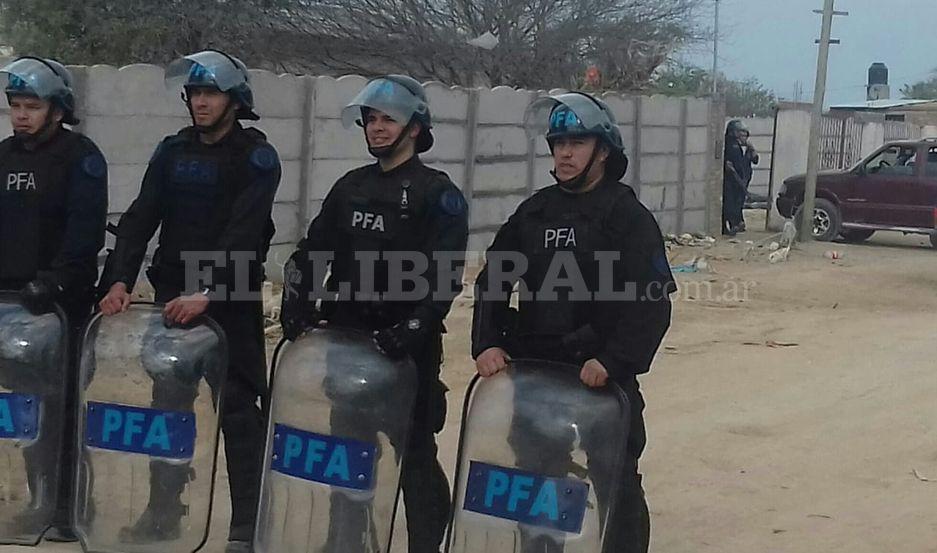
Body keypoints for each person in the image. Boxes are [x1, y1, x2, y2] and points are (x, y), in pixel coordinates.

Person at [471, 91, 675, 553]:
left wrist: (613, 359)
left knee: (615, 487)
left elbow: (653, 302)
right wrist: (487, 341)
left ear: (603, 150)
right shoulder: (535, 212)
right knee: (535, 485)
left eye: (577, 142)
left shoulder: (626, 216)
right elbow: (494, 280)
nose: (564, 152)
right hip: (537, 375)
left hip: (599, 379)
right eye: (558, 142)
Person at [97, 49, 280, 553]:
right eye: (195, 93)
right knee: (168, 408)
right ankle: (162, 512)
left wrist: (209, 292)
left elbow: (245, 235)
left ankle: (246, 525)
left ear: (235, 100)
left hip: (230, 298)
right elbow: (139, 219)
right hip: (174, 296)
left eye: (211, 92)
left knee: (240, 412)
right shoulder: (172, 152)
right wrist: (117, 279)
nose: (200, 102)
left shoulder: (256, 157)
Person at [279, 74, 468, 553]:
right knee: (348, 451)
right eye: (371, 119)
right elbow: (311, 252)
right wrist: (296, 299)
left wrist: (415, 327)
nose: (378, 128)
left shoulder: (437, 194)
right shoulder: (350, 188)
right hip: (346, 340)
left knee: (415, 457)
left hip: (405, 349)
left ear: (414, 128)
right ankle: (344, 541)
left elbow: (444, 277)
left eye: (390, 119)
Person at [0, 56, 108, 542]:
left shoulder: (80, 157)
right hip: (9, 306)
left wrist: (56, 282)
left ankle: (67, 510)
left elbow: (84, 235)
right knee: (24, 411)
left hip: (59, 307)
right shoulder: (4, 156)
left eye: (32, 106)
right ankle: (37, 501)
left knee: (62, 410)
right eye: (15, 106)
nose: (21, 115)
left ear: (58, 108)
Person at [723, 119, 752, 235]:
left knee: (735, 204)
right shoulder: (731, 144)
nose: (742, 135)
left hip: (737, 180)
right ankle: (732, 225)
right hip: (731, 180)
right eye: (740, 132)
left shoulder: (738, 145)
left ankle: (734, 224)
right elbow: (733, 164)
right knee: (729, 204)